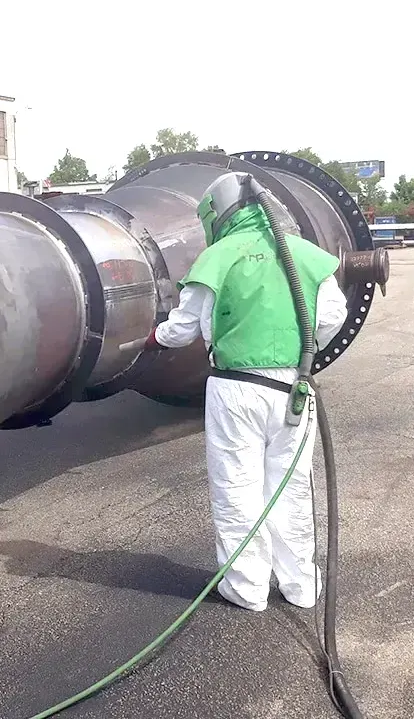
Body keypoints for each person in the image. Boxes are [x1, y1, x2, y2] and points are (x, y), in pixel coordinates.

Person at [144, 171, 349, 612]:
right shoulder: (304, 255)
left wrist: (154, 337)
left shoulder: (220, 256)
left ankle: (247, 587)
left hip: (235, 392)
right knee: (293, 487)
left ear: (217, 215)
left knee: (238, 485)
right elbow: (333, 313)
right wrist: (299, 352)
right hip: (294, 388)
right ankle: (301, 587)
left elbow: (181, 329)